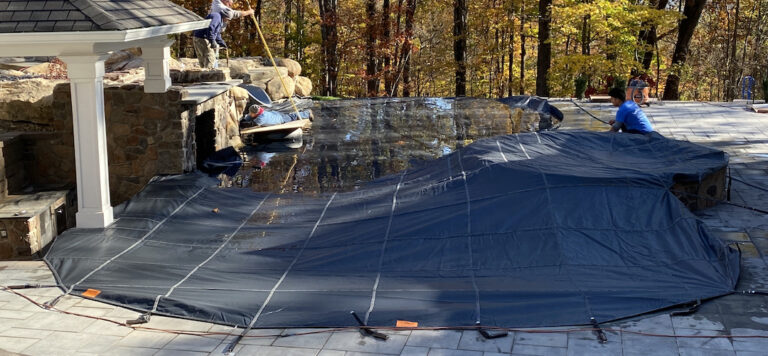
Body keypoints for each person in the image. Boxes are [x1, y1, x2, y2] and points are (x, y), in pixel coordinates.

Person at [241, 104, 314, 128]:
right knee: (290, 115)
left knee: (292, 117)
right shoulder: (258, 112)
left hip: (280, 119)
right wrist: (243, 120)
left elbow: (252, 124)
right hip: (274, 114)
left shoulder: (261, 118)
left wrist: (241, 124)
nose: (250, 114)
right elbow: (248, 117)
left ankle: (307, 113)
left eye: (251, 113)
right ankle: (304, 113)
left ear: (256, 113)